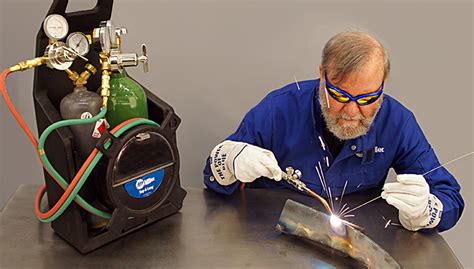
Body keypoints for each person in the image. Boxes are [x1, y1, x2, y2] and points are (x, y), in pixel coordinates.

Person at [202, 31, 464, 232]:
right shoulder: (279, 110)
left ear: (383, 87)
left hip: (355, 243)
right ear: (322, 76)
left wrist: (427, 212)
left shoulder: (398, 123)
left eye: (367, 99)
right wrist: (231, 162)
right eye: (339, 95)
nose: (351, 111)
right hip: (267, 239)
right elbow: (213, 178)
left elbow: (450, 197)